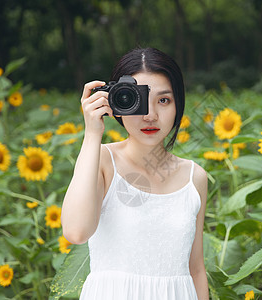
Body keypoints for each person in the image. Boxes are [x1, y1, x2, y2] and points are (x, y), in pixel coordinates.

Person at [61, 47, 209, 300]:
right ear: (117, 103)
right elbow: (76, 232)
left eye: (164, 100)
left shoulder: (194, 177)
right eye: (137, 99)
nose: (150, 116)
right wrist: (92, 133)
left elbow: (195, 268)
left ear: (178, 105)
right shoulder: (102, 161)